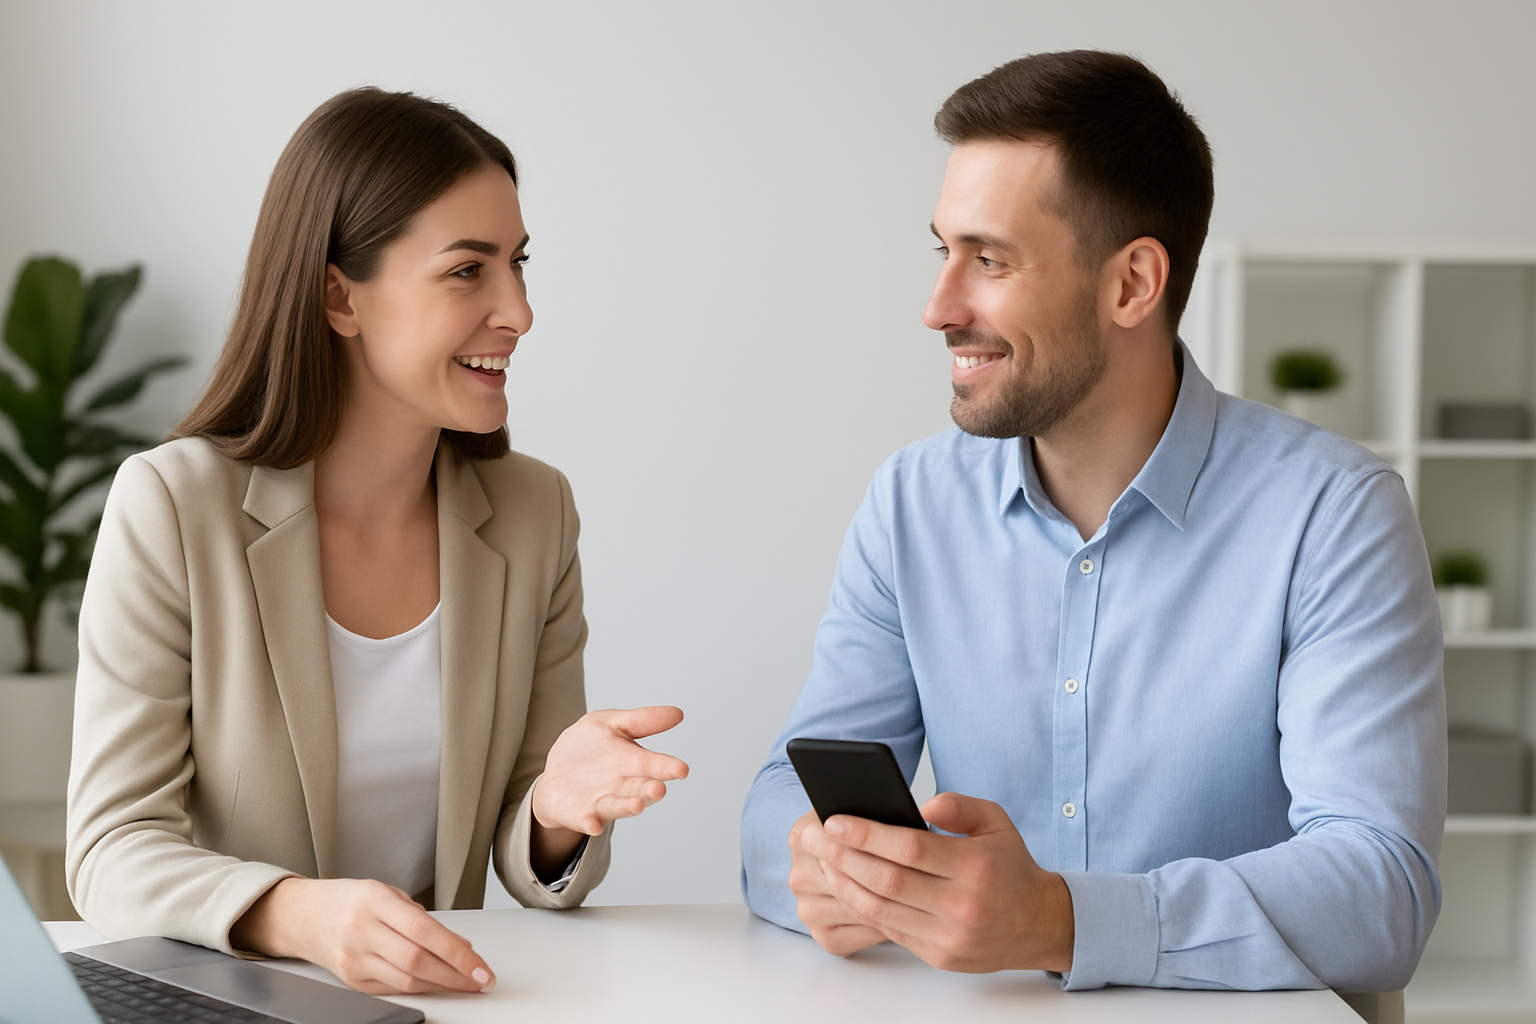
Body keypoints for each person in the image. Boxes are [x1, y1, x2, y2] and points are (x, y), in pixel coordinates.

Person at [740, 50, 1446, 992]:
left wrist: (1066, 923)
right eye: (942, 251)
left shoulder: (1335, 517)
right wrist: (825, 872)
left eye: (988, 260)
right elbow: (780, 804)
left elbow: (1380, 891)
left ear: (1131, 285)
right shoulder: (911, 505)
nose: (938, 306)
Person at [66, 88, 689, 997]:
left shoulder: (533, 511)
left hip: (435, 1006)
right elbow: (110, 850)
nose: (518, 310)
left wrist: (556, 813)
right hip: (235, 1003)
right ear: (338, 296)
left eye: (518, 264)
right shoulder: (171, 506)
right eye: (467, 271)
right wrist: (298, 914)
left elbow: (532, 859)